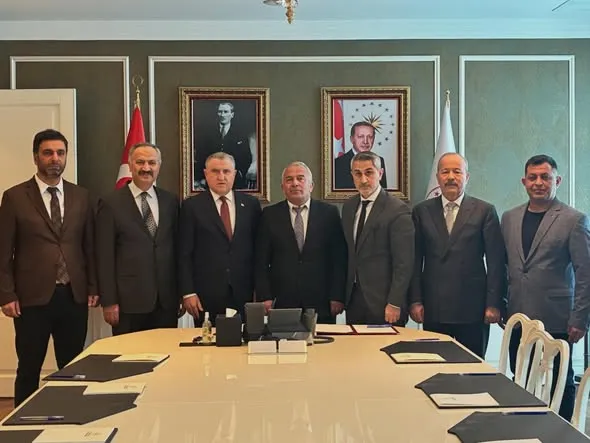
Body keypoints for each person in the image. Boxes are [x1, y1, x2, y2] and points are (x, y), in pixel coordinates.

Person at [0, 129, 98, 406]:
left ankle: (71, 416)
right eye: (48, 153)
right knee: (29, 367)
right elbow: (3, 250)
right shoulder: (15, 197)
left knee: (73, 367)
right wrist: (6, 294)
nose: (55, 158)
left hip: (73, 295)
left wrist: (93, 286)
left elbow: (89, 246)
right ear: (36, 157)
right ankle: (23, 423)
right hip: (31, 299)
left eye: (60, 153)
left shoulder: (82, 196)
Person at [502, 154, 590, 421]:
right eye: (533, 177)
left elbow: (585, 273)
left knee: (559, 382)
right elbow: (504, 266)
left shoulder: (574, 220)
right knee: (520, 377)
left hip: (558, 318)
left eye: (545, 177)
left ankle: (560, 431)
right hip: (518, 316)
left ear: (557, 180)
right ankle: (524, 427)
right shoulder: (509, 218)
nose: (538, 183)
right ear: (524, 181)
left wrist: (580, 319)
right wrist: (503, 305)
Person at [408, 152, 506, 358]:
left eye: (457, 172)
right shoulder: (421, 211)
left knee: (471, 367)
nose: (451, 177)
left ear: (466, 177)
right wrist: (415, 300)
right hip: (434, 307)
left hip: (473, 309)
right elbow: (415, 260)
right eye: (445, 172)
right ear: (438, 177)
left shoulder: (484, 211)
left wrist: (493, 303)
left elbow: (496, 262)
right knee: (434, 365)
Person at [95, 143, 180, 335]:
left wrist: (180, 294)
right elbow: (104, 256)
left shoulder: (170, 201)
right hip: (128, 303)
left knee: (165, 352)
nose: (146, 168)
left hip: (166, 301)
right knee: (129, 354)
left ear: (159, 166)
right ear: (130, 165)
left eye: (152, 162)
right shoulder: (110, 203)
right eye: (140, 162)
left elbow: (176, 249)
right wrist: (109, 301)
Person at [255, 162, 347, 323]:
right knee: (283, 338)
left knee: (323, 339)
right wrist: (265, 296)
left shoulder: (329, 213)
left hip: (322, 300)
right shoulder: (269, 215)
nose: (295, 183)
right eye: (289, 179)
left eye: (300, 178)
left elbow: (339, 259)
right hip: (282, 300)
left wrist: (337, 296)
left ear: (311, 186)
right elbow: (260, 260)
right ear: (282, 187)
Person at [179, 152, 262, 325]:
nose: (221, 177)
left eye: (226, 171)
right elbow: (184, 253)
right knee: (208, 340)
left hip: (244, 292)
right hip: (206, 294)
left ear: (234, 174)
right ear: (206, 173)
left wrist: (260, 290)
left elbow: (259, 251)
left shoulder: (251, 205)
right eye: (215, 171)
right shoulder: (191, 206)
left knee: (245, 339)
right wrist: (188, 292)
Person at [341, 151, 413, 325]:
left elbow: (404, 263)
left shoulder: (397, 209)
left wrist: (395, 302)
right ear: (352, 176)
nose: (363, 180)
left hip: (385, 303)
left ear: (380, 174)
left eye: (369, 172)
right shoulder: (349, 207)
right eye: (358, 174)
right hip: (354, 301)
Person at [194, 102, 255, 190]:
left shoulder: (240, 133)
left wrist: (240, 173)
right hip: (211, 178)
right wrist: (202, 177)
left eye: (225, 112)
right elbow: (201, 155)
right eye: (220, 112)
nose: (222, 115)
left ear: (232, 114)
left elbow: (246, 157)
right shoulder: (207, 133)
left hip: (234, 180)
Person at [334, 122, 388, 190]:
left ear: (374, 139)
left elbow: (382, 191)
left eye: (370, 137)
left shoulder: (380, 160)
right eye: (360, 136)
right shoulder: (337, 163)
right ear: (352, 139)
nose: (365, 141)